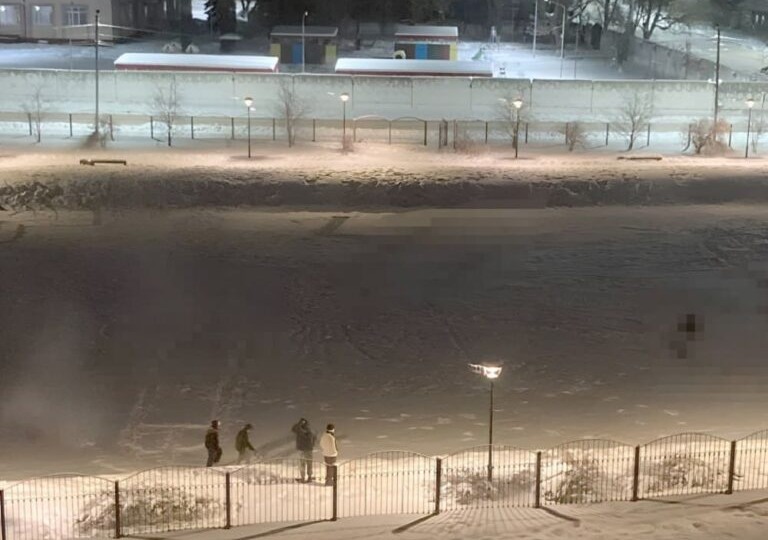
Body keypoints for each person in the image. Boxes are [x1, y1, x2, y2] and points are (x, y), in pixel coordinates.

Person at [291, 418, 316, 482]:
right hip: (309, 450)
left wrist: (299, 423)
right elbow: (314, 438)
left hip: (302, 450)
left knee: (302, 464)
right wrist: (312, 445)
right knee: (309, 463)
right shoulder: (311, 431)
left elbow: (293, 429)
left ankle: (303, 478)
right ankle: (309, 477)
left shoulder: (299, 431)